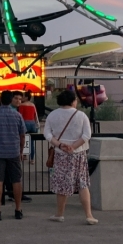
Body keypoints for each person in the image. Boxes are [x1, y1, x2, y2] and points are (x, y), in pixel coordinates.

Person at [44, 89, 97, 225]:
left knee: (61, 184)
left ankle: (59, 214)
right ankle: (89, 215)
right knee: (83, 184)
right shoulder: (81, 115)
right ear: (73, 101)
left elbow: (47, 134)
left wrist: (60, 145)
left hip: (60, 154)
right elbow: (87, 135)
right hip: (78, 154)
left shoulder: (52, 115)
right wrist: (73, 146)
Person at [0, 90, 27, 220]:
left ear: (0, 100)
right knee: (16, 180)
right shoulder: (17, 116)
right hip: (14, 151)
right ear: (11, 100)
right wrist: (21, 151)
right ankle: (18, 209)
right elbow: (22, 136)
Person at [18, 91, 40, 164]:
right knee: (31, 142)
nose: (22, 98)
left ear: (26, 97)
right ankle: (32, 159)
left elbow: (20, 116)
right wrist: (37, 125)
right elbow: (35, 115)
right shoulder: (33, 105)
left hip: (25, 123)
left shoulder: (21, 105)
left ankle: (23, 155)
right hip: (32, 124)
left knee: (23, 140)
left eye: (23, 96)